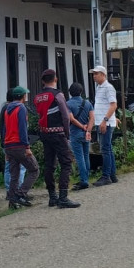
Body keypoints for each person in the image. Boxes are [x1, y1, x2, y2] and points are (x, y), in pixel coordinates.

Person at [34, 70, 80, 208]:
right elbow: (65, 115)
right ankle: (63, 197)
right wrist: (67, 132)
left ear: (43, 81)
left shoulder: (37, 97)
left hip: (44, 134)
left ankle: (52, 197)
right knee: (66, 163)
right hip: (58, 133)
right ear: (56, 79)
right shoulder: (58, 94)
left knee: (49, 165)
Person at [0, 86, 39, 209]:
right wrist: (27, 146)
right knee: (34, 170)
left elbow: (6, 129)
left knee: (14, 175)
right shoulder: (21, 108)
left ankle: (12, 201)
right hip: (19, 145)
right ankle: (20, 194)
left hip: (9, 146)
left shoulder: (7, 110)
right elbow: (23, 128)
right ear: (23, 96)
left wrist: (6, 147)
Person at [90, 65, 118, 186]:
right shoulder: (99, 87)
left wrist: (105, 120)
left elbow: (113, 105)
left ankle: (106, 176)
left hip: (104, 123)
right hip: (101, 121)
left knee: (105, 149)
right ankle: (112, 175)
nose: (94, 76)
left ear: (103, 74)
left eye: (96, 73)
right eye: (93, 74)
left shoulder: (108, 88)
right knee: (108, 149)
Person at [66, 82, 93, 191]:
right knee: (86, 155)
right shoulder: (87, 103)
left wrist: (82, 127)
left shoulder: (68, 104)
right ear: (81, 91)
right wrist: (88, 130)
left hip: (75, 133)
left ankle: (84, 180)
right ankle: (86, 177)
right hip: (86, 133)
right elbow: (92, 118)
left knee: (79, 157)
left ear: (70, 92)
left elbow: (71, 119)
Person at [0, 88, 26, 193]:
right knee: (21, 168)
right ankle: (18, 189)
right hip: (14, 142)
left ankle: (9, 190)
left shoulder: (4, 108)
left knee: (8, 167)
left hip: (5, 141)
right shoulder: (15, 108)